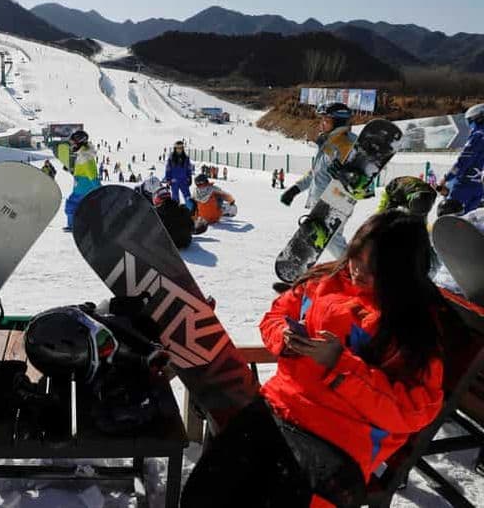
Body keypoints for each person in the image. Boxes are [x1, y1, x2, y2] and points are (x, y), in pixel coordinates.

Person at [182, 210, 448, 507]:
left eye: (371, 269)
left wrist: (342, 367)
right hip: (278, 408)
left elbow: (413, 410)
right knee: (205, 492)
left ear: (397, 273)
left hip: (337, 443)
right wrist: (283, 336)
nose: (356, 271)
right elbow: (277, 313)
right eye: (355, 258)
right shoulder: (328, 278)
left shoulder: (408, 324)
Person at [280, 102, 356, 258]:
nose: (322, 124)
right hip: (322, 203)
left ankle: (355, 271)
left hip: (336, 201)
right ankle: (350, 269)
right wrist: (295, 189)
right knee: (330, 241)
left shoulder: (347, 145)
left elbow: (360, 178)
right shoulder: (328, 143)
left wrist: (345, 175)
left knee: (331, 241)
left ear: (338, 122)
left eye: (326, 120)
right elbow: (316, 172)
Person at [437, 103, 484, 214]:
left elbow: (463, 161)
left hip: (464, 186)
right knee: (472, 222)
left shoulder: (477, 136)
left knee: (449, 216)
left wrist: (446, 178)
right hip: (479, 189)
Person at [64, 130, 100, 230]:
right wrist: (71, 170)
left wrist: (99, 189)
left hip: (85, 189)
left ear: (79, 143)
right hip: (80, 188)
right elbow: (81, 171)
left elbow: (92, 174)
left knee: (71, 206)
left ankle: (74, 226)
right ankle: (75, 225)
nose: (72, 146)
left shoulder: (85, 157)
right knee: (75, 207)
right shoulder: (82, 154)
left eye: (73, 143)